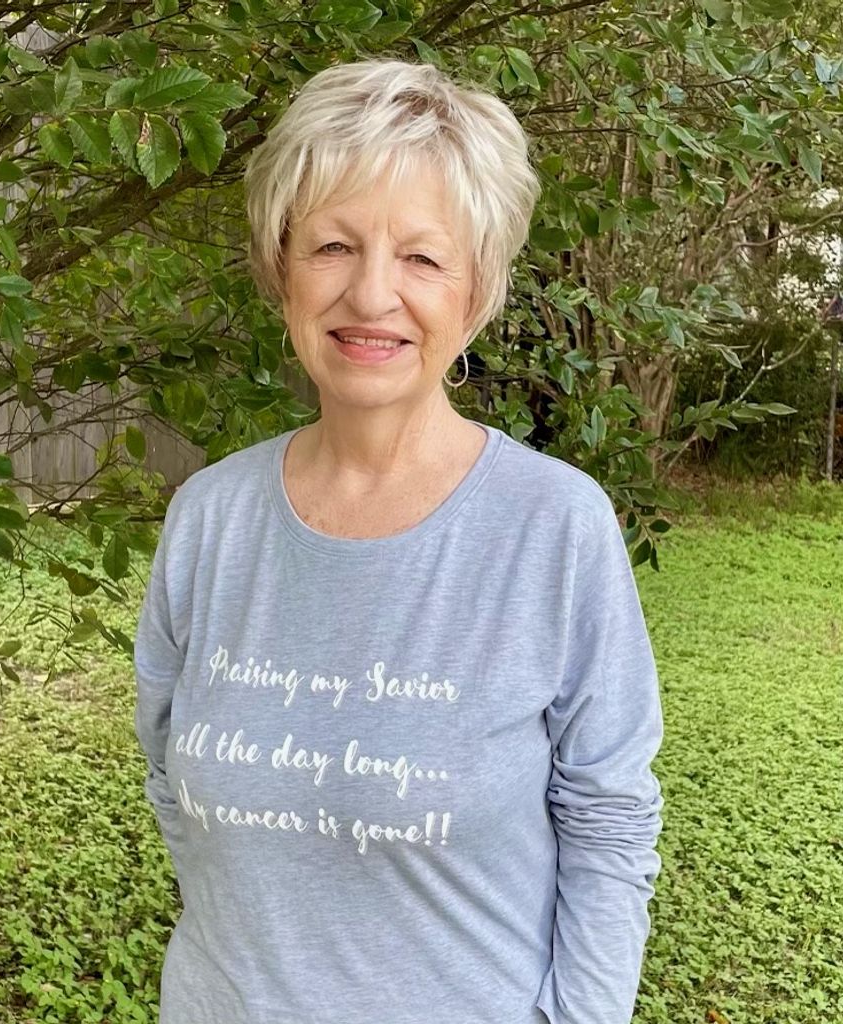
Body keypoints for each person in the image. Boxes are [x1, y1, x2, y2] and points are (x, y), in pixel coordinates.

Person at [134, 56, 664, 1024]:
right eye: (333, 245)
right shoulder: (209, 516)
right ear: (279, 267)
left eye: (422, 257)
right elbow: (171, 781)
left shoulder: (554, 526)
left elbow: (609, 822)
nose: (372, 294)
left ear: (477, 290)